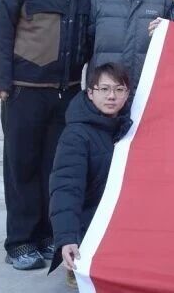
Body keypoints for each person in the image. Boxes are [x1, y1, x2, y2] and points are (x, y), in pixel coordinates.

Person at [0, 0, 94, 271]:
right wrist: (0, 80)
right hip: (25, 90)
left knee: (55, 168)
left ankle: (49, 236)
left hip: (67, 92)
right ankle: (19, 241)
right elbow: (1, 29)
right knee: (22, 167)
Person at [48, 62, 133, 289]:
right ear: (90, 93)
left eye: (119, 89)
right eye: (104, 89)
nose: (111, 96)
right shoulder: (76, 135)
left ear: (127, 94)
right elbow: (66, 188)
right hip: (89, 222)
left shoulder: (129, 127)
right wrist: (67, 238)